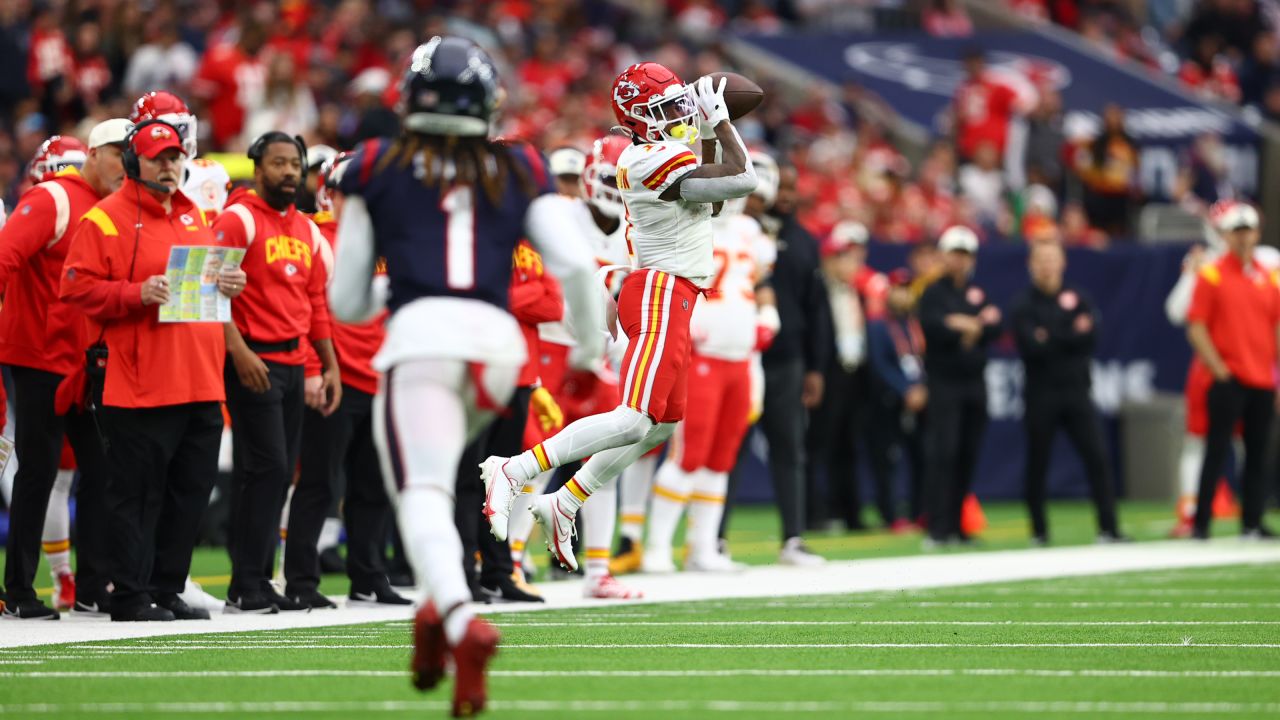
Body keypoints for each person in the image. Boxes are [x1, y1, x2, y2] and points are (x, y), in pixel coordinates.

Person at [327, 37, 604, 716]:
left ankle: (456, 620)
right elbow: (575, 266)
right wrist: (589, 355)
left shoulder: (376, 165)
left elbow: (348, 303)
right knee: (453, 474)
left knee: (421, 491)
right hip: (499, 350)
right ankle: (431, 608)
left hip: (424, 340)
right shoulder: (517, 165)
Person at [479, 61, 758, 574]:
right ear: (636, 118)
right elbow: (744, 179)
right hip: (657, 291)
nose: (678, 115)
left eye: (678, 104)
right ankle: (514, 468)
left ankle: (566, 500)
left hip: (674, 294)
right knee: (633, 416)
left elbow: (718, 200)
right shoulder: (646, 158)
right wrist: (720, 120)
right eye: (664, 109)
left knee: (656, 428)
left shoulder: (665, 153)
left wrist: (714, 131)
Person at [60, 118, 246, 622]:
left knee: (188, 496)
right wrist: (133, 293)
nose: (169, 166)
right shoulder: (103, 219)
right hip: (139, 384)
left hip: (200, 381)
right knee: (136, 497)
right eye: (157, 157)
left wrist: (229, 282)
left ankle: (165, 588)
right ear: (131, 163)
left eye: (174, 157)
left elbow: (204, 291)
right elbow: (74, 288)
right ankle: (128, 595)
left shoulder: (192, 216)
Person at [0, 119, 128, 620]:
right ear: (93, 154)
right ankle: (18, 590)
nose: (125, 163)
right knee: (38, 471)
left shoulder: (110, 209)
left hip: (86, 362)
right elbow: (6, 256)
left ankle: (94, 585)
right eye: (117, 153)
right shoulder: (53, 197)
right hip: (39, 357)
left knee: (100, 472)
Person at [214, 132, 339, 614]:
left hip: (293, 359)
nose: (289, 172)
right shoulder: (238, 218)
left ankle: (255, 581)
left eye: (295, 164)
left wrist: (328, 364)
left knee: (276, 473)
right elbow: (211, 289)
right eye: (278, 163)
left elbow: (315, 303)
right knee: (264, 470)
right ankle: (247, 582)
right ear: (257, 168)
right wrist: (238, 350)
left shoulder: (305, 229)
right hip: (254, 357)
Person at [284, 154, 408, 609]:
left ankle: (369, 576)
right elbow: (305, 312)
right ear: (329, 192)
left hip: (380, 378)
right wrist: (314, 369)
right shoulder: (315, 235)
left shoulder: (388, 241)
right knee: (319, 483)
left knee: (372, 488)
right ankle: (300, 579)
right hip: (336, 378)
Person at [643, 162, 779, 573]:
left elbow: (759, 283)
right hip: (702, 355)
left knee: (721, 458)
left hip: (740, 357)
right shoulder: (688, 222)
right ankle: (657, 548)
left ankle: (702, 548)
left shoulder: (753, 234)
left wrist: (768, 317)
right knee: (689, 455)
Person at [734, 161, 830, 565]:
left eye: (791, 187)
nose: (785, 196)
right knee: (728, 450)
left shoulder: (804, 241)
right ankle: (712, 540)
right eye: (779, 187)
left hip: (787, 361)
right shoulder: (733, 230)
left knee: (790, 449)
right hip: (740, 354)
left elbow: (817, 310)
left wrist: (815, 367)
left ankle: (793, 538)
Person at [1010, 242, 1125, 544]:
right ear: (1031, 265)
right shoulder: (1023, 304)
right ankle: (1039, 531)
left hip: (1077, 392)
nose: (1047, 265)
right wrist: (1069, 332)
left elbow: (1090, 338)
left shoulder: (1078, 298)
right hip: (1040, 394)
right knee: (1038, 462)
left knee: (1097, 458)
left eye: (1052, 258)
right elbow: (1032, 347)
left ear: (1063, 263)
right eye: (1041, 259)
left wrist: (1051, 334)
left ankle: (1109, 528)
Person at [1185, 203, 1279, 540]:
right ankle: (1202, 523)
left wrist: (1276, 374)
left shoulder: (1269, 277)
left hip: (1261, 378)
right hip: (1228, 377)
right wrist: (1219, 368)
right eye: (1237, 231)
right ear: (1226, 235)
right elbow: (1196, 326)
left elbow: (1276, 327)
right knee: (1217, 449)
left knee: (1257, 453)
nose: (1243, 238)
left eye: (1248, 231)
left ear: (1256, 233)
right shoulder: (1211, 274)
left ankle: (1251, 522)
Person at [917, 226, 1000, 546]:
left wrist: (964, 324)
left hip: (974, 383)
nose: (960, 260)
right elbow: (935, 327)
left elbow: (995, 325)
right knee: (944, 452)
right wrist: (969, 325)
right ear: (944, 255)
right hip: (944, 383)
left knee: (968, 453)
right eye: (955, 253)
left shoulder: (977, 291)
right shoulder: (933, 292)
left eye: (965, 254)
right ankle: (937, 527)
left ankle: (957, 525)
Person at [865, 269, 927, 531]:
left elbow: (923, 360)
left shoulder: (915, 324)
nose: (903, 294)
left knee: (921, 457)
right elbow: (880, 364)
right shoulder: (879, 326)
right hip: (888, 402)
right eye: (898, 288)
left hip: (920, 400)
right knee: (887, 458)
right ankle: (890, 513)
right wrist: (905, 390)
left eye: (907, 289)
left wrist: (922, 388)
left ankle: (919, 511)